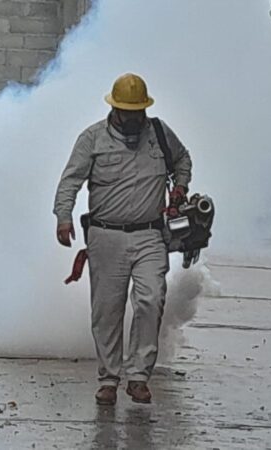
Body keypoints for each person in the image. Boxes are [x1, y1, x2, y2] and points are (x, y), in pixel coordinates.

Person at [53, 73, 192, 405]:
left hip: (150, 235)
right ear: (114, 109)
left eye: (137, 112)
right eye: (126, 112)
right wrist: (63, 216)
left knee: (151, 298)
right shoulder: (92, 139)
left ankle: (139, 375)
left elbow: (183, 160)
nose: (132, 119)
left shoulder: (159, 134)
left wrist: (180, 188)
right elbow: (70, 180)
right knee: (107, 310)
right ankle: (109, 378)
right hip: (106, 236)